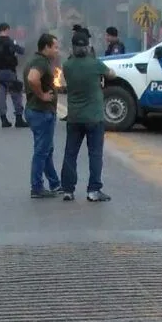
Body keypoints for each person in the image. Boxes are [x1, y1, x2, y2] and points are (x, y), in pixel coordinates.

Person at [60, 32, 116, 202]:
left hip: (75, 117)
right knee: (95, 154)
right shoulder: (95, 64)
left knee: (70, 154)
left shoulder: (67, 66)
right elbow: (112, 74)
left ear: (73, 48)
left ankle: (68, 190)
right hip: (94, 117)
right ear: (88, 47)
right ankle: (93, 190)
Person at [23, 33, 62, 199]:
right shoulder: (40, 62)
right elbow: (33, 79)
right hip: (41, 112)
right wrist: (42, 96)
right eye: (55, 47)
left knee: (47, 149)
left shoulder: (37, 60)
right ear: (46, 47)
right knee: (41, 151)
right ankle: (37, 187)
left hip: (38, 111)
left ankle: (54, 183)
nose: (57, 50)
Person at [0, 22, 29, 128]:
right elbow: (21, 51)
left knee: (1, 96)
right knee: (16, 95)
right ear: (7, 30)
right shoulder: (10, 42)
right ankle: (19, 119)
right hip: (10, 72)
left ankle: (3, 120)